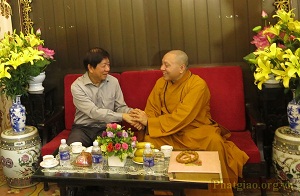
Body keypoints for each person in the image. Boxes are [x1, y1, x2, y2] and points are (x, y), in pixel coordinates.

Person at [130, 50, 249, 196]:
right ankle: (163, 191)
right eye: (162, 64)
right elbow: (152, 109)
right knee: (149, 142)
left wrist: (150, 122)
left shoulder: (197, 85)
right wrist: (143, 122)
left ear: (181, 68)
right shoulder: (161, 83)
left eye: (166, 65)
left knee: (214, 141)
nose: (161, 68)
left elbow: (183, 116)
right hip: (169, 133)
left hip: (195, 132)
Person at [67, 47, 142, 147]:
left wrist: (134, 115)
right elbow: (94, 112)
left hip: (107, 127)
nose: (108, 69)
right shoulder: (77, 86)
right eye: (103, 66)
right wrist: (123, 116)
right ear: (90, 68)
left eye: (108, 65)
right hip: (83, 128)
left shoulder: (113, 81)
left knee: (115, 151)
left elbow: (120, 107)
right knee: (72, 151)